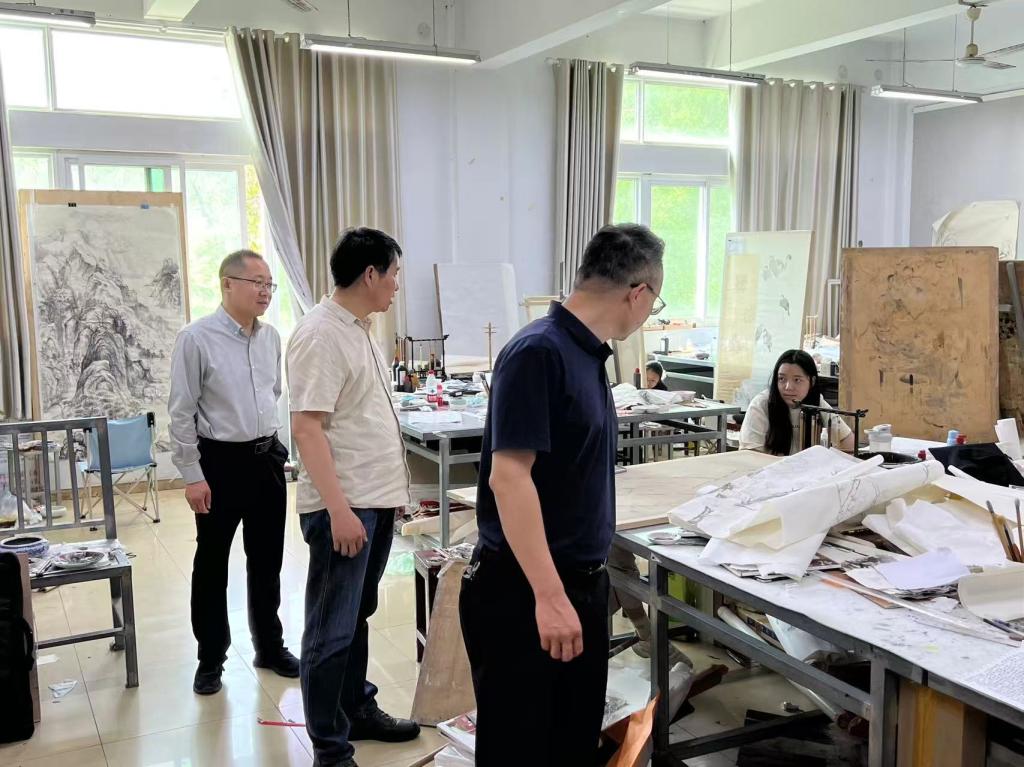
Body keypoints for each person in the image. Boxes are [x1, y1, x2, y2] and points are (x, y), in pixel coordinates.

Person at [460, 224, 665, 767]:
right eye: (656, 302)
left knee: (570, 745)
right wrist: (550, 598)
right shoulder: (539, 353)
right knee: (521, 751)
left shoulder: (586, 355)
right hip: (526, 591)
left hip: (577, 586)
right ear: (637, 293)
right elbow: (509, 478)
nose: (650, 312)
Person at [287, 227, 420, 767]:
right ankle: (329, 747)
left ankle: (356, 709)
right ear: (370, 274)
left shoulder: (359, 329)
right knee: (330, 628)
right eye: (394, 275)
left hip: (372, 500)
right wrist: (340, 511)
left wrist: (393, 494)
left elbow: (361, 419)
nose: (396, 286)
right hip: (344, 507)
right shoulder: (321, 334)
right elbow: (307, 428)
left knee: (356, 615)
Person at [168, 250, 297, 696]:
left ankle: (270, 647)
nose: (265, 291)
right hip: (219, 464)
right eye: (256, 282)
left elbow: (272, 393)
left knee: (268, 560)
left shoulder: (271, 337)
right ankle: (211, 659)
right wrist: (192, 474)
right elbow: (181, 412)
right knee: (212, 563)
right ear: (227, 283)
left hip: (266, 460)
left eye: (269, 284)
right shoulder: (196, 339)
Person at [739, 349, 854, 455]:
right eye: (782, 379)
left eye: (797, 380)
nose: (788, 387)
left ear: (812, 381)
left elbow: (848, 442)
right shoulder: (761, 404)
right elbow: (750, 455)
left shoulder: (816, 403)